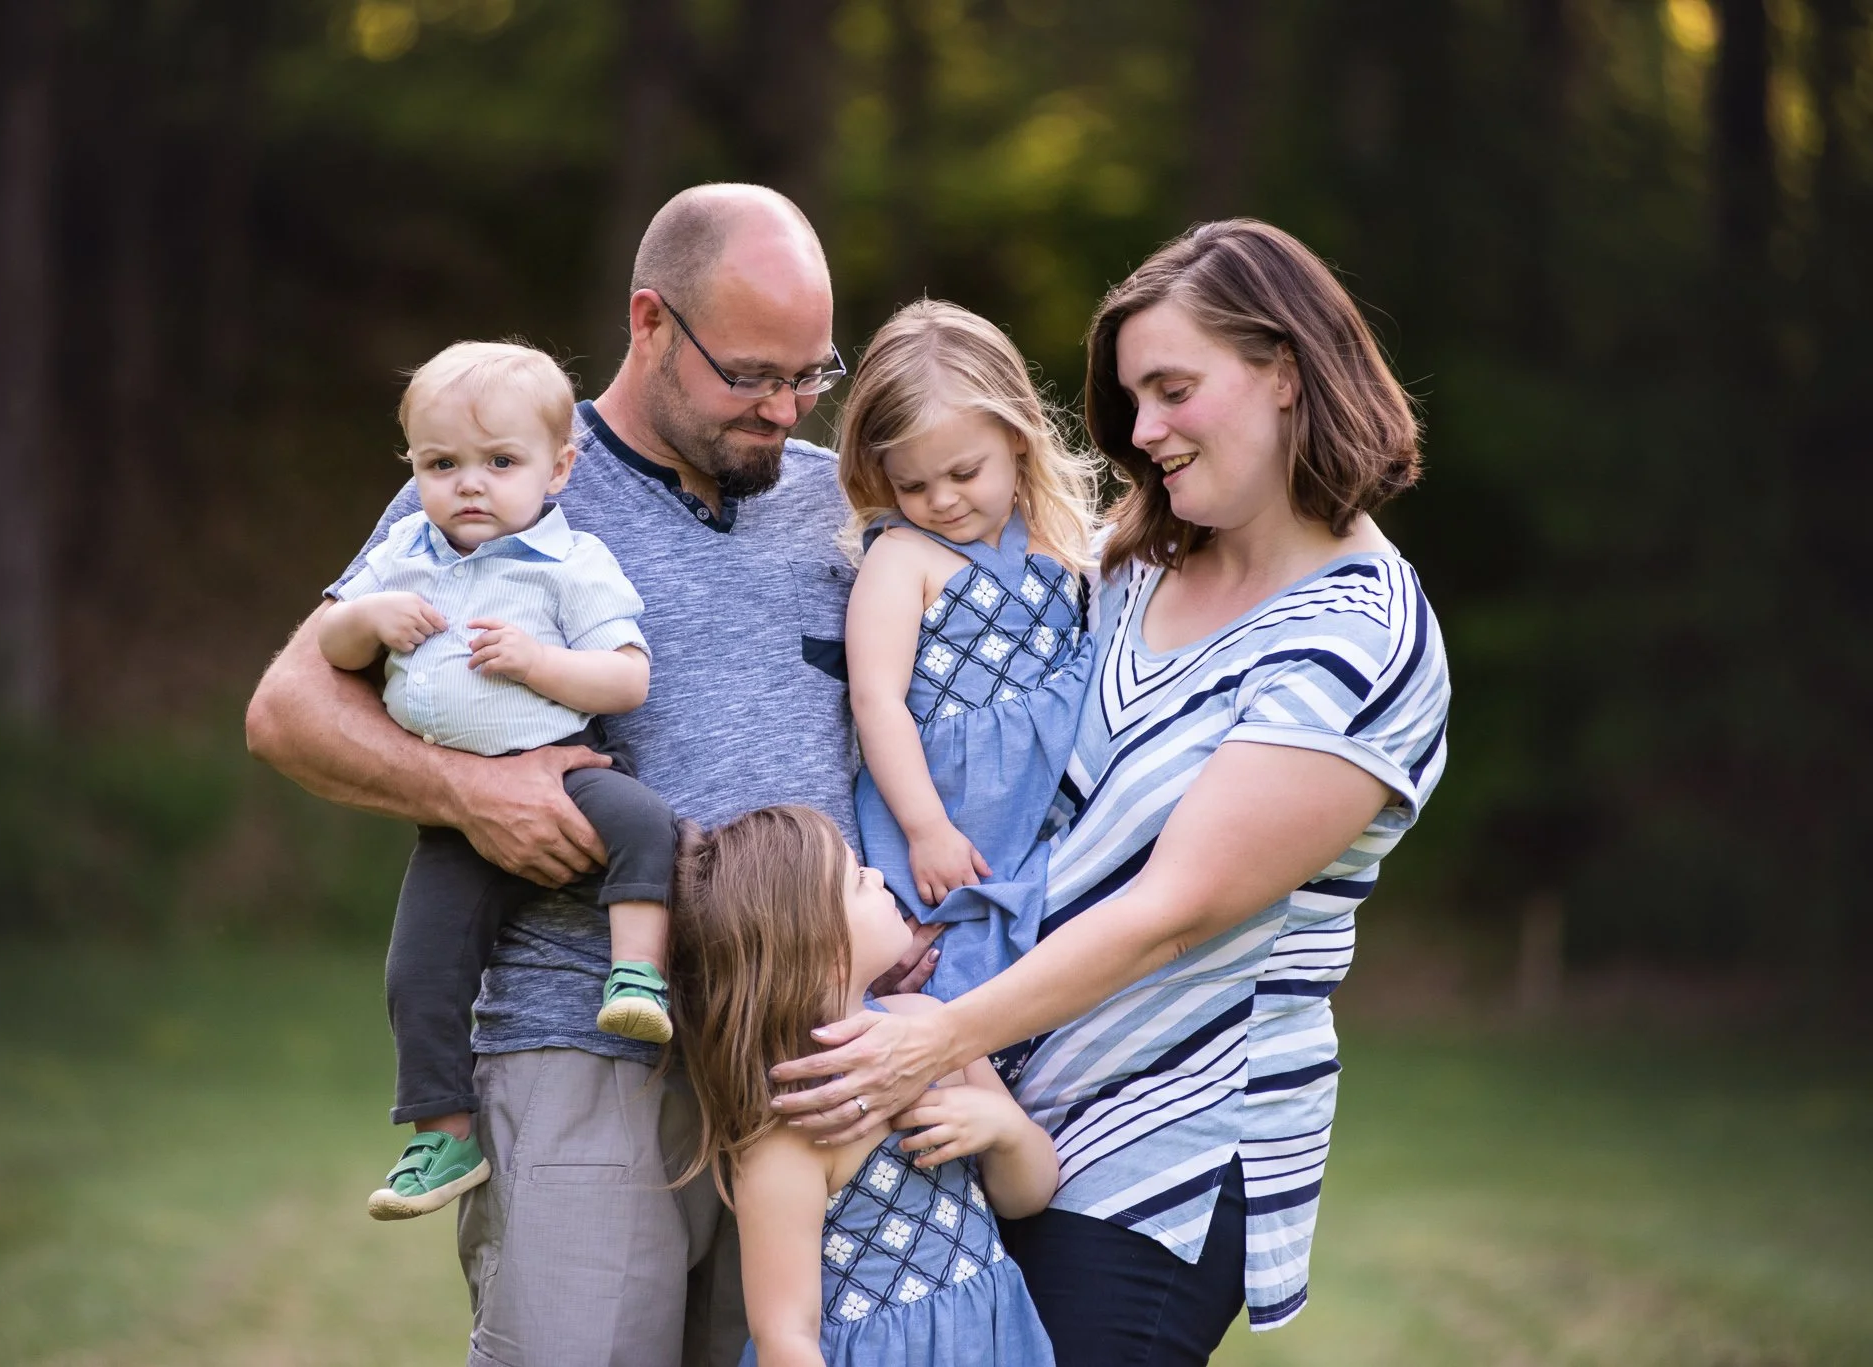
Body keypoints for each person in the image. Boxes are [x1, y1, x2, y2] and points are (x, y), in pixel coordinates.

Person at [247, 184, 927, 1367]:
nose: (783, 409)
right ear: (650, 323)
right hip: (581, 1035)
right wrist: (467, 791)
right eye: (750, 374)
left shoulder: (839, 501)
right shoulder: (489, 485)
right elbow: (287, 709)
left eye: (808, 373)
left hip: (801, 1058)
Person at [767, 220, 1452, 1366]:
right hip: (1001, 1118)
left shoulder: (1357, 636)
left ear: (1283, 372)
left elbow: (1173, 908)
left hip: (1157, 1150)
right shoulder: (1132, 563)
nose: (1142, 431)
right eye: (1131, 399)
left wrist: (927, 1042)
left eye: (1173, 389)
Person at [316, 340, 681, 1222]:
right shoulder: (404, 550)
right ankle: (444, 1134)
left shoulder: (571, 561)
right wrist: (367, 619)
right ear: (413, 468)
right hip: (455, 815)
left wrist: (539, 663)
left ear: (558, 469)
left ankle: (636, 978)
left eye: (500, 462)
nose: (469, 484)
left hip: (566, 770)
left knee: (648, 828)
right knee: (418, 969)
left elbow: (627, 678)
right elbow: (331, 652)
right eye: (442, 464)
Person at [667, 804, 1059, 1367]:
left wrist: (1007, 1133)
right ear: (821, 950)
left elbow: (1029, 1196)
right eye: (856, 879)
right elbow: (785, 1337)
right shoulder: (789, 1132)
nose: (878, 874)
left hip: (993, 1341)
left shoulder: (930, 1026)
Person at [838, 301, 1098, 1003]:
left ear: (1018, 436)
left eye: (963, 472)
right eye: (913, 484)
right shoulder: (902, 558)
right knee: (944, 984)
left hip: (1051, 813)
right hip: (952, 817)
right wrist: (926, 829)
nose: (942, 500)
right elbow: (876, 700)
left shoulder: (1058, 537)